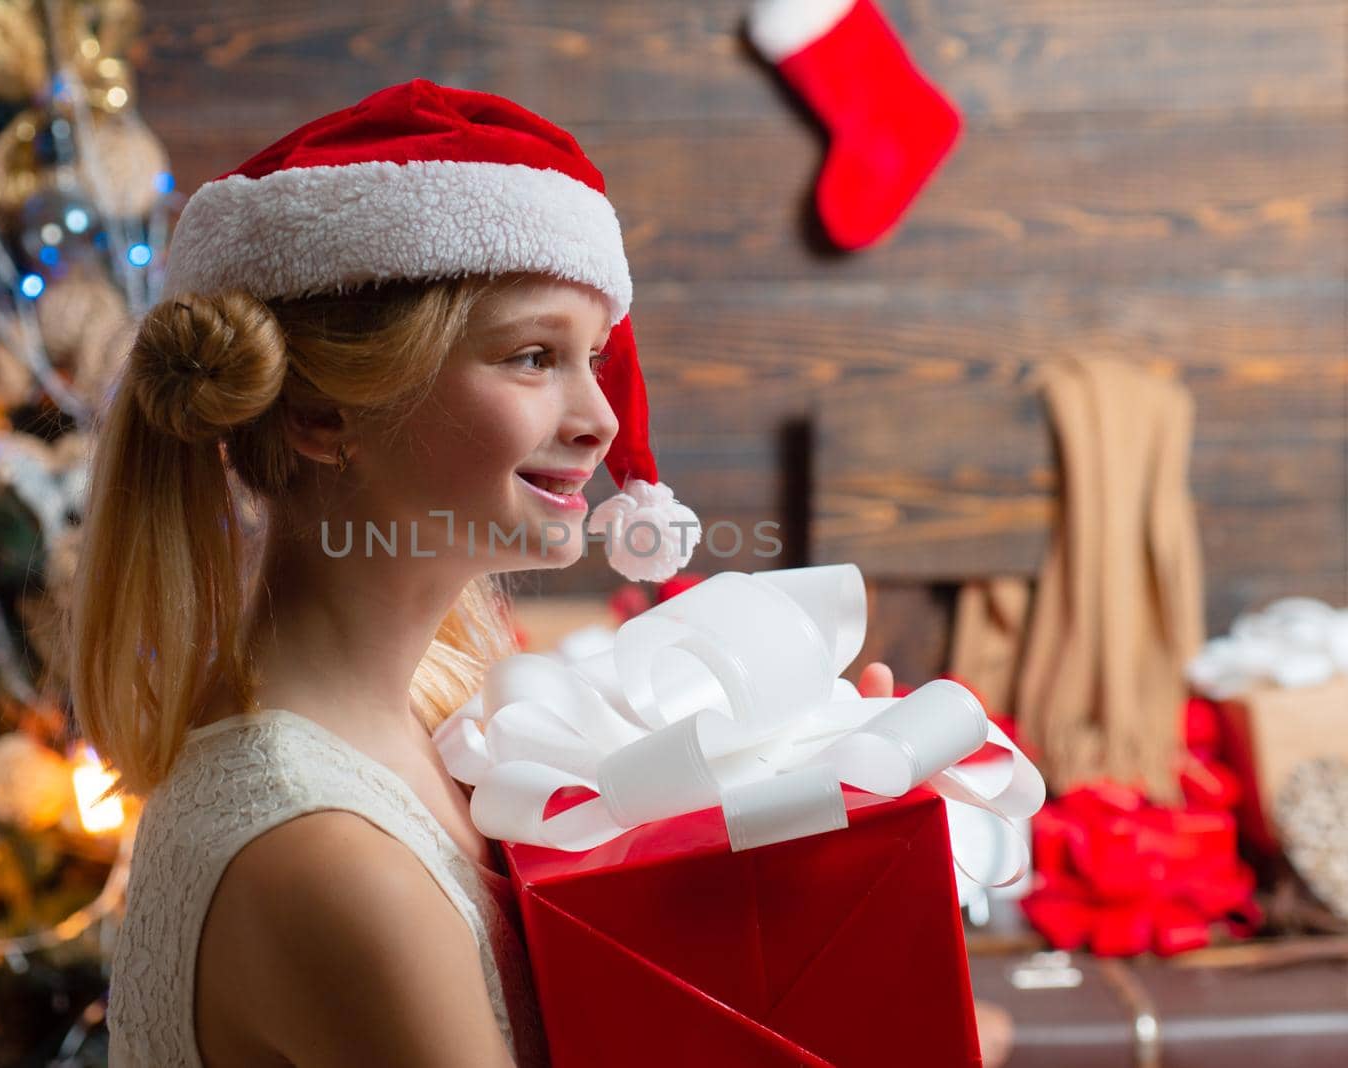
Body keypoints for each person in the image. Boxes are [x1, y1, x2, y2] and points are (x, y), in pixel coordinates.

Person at [67, 78, 899, 1067]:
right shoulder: (331, 858)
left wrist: (813, 844)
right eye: (533, 355)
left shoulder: (437, 731)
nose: (601, 419)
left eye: (593, 355)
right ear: (322, 417)